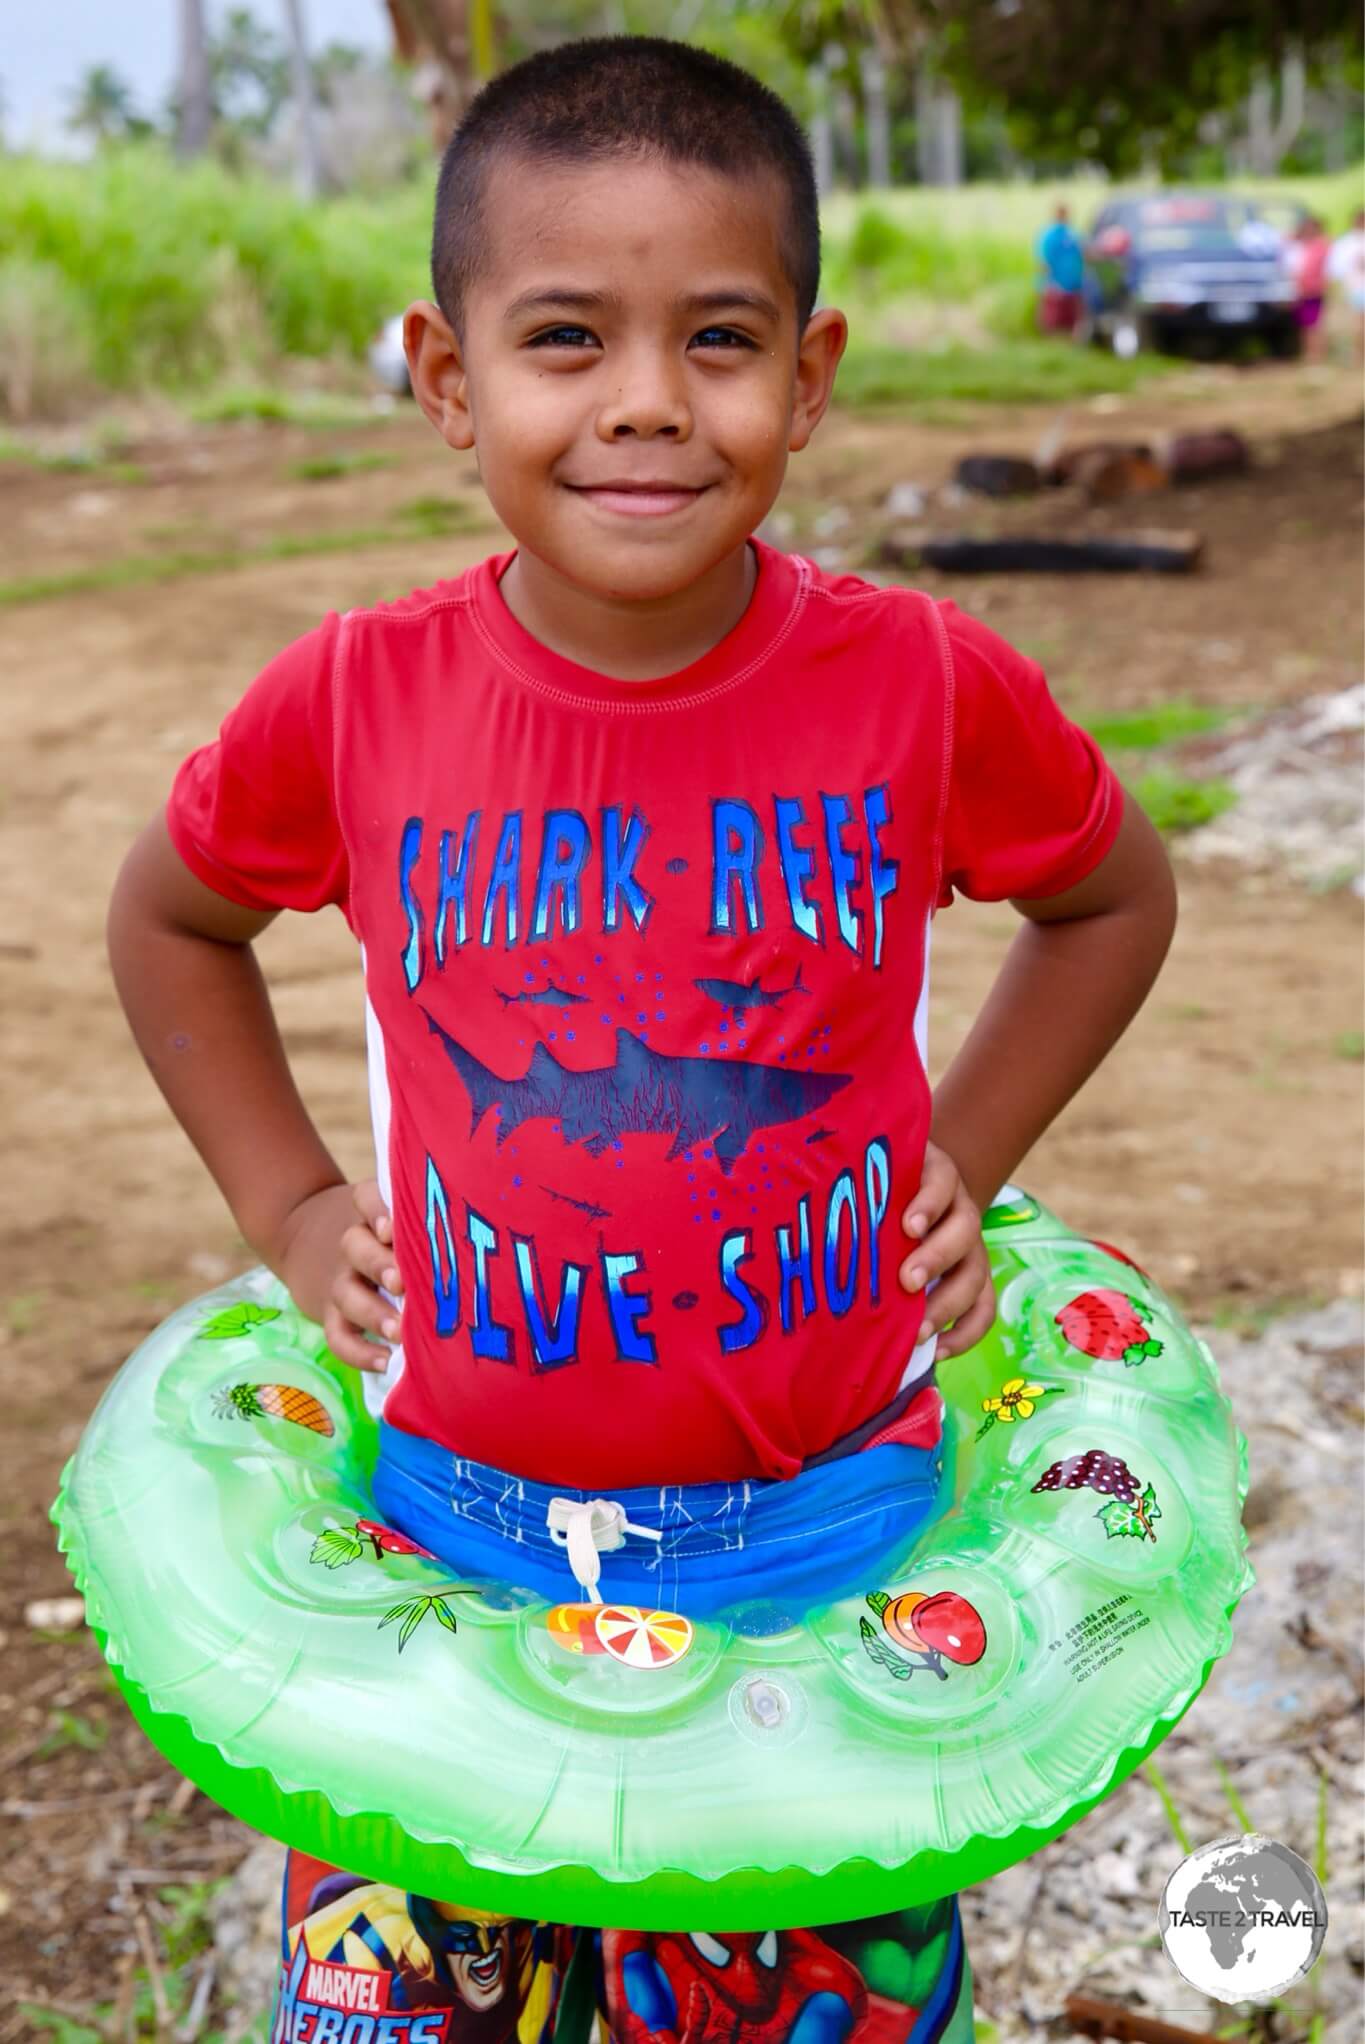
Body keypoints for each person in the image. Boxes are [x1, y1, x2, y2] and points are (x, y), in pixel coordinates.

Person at [106, 36, 1178, 2044]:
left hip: (829, 1543)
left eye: (716, 337)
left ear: (812, 372)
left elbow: (1111, 892)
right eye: (564, 337)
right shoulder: (355, 696)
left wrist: (969, 1143)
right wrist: (291, 1198)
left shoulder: (922, 682)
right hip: (456, 1536)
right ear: (448, 380)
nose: (643, 404)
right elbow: (170, 921)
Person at [1285, 212, 1332, 362]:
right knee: (1304, 325)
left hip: (1313, 290)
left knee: (1313, 325)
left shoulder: (1321, 246)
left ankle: (1316, 355)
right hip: (1299, 290)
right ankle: (1307, 354)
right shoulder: (1299, 246)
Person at [1035, 201, 1085, 333]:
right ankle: (1051, 342)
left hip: (1072, 283)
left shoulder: (1073, 234)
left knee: (1071, 317)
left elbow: (1082, 253)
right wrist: (1048, 282)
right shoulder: (1049, 235)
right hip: (1055, 283)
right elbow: (1043, 261)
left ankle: (1067, 341)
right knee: (1052, 317)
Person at [1327, 206, 1365, 364]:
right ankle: (1359, 354)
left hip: (1356, 286)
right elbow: (1336, 268)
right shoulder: (1346, 243)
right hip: (1355, 287)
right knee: (1358, 322)